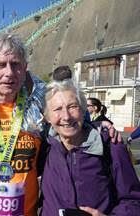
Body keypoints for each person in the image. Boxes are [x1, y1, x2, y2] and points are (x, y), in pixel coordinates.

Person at [0, 34, 119, 216]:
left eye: (15, 65)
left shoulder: (39, 108)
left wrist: (97, 126)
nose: (9, 73)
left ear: (25, 68)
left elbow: (67, 123)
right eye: (0, 65)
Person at [40, 79, 140, 216]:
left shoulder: (110, 146)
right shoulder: (44, 147)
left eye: (72, 107)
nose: (66, 116)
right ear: (47, 117)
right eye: (57, 109)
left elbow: (133, 201)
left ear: (83, 110)